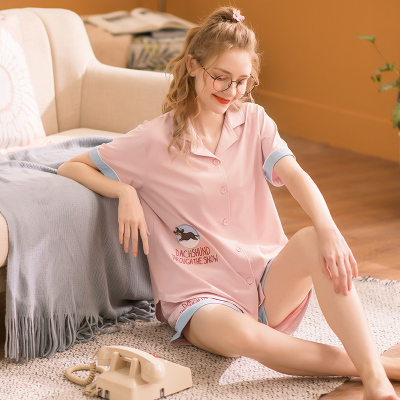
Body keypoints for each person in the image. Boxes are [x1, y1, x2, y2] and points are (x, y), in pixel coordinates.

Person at [58, 7, 400, 400]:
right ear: (192, 66)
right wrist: (125, 192)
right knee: (243, 335)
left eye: (241, 81)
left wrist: (329, 230)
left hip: (265, 278)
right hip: (201, 298)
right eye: (220, 77)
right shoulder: (153, 140)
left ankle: (375, 381)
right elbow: (73, 166)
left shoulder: (255, 121)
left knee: (313, 241)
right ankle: (383, 369)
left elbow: (295, 175)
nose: (231, 91)